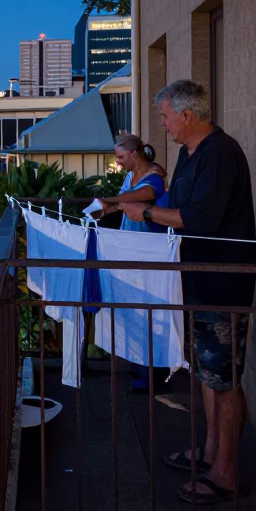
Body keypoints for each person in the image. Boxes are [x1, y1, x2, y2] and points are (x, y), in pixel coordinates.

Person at [119, 80, 256, 505]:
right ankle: (211, 452)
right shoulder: (187, 153)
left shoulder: (221, 152)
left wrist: (142, 211)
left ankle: (226, 474)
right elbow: (173, 198)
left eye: (164, 116)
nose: (161, 126)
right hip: (195, 280)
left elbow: (200, 218)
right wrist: (125, 203)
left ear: (187, 115)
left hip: (221, 283)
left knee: (224, 378)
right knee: (205, 374)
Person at [98, 134, 167, 392]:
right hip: (133, 251)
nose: (117, 162)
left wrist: (114, 201)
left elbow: (147, 194)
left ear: (135, 154)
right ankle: (141, 371)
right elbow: (125, 200)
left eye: (120, 156)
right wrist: (106, 209)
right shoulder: (132, 177)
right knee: (138, 312)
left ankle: (153, 375)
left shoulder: (153, 175)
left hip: (149, 252)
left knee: (150, 312)